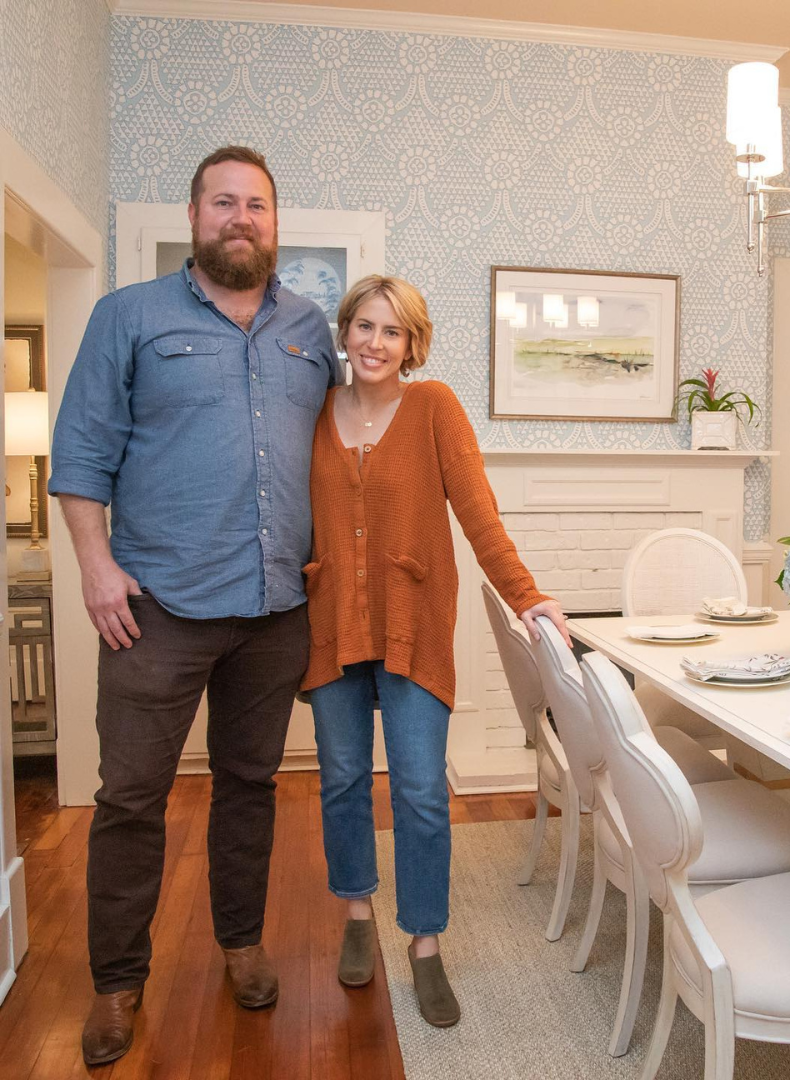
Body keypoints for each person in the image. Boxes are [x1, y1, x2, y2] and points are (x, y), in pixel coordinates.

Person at [47, 146, 339, 1066]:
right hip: (154, 608)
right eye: (224, 202)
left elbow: (343, 445)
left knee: (249, 787)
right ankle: (116, 983)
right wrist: (95, 569)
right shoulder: (125, 316)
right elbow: (81, 457)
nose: (240, 218)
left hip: (274, 608)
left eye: (257, 204)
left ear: (275, 222)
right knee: (131, 799)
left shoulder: (310, 328)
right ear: (195, 214)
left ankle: (241, 941)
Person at [300, 275, 568, 1028]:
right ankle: (357, 914)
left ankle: (424, 941)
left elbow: (478, 512)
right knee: (345, 779)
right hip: (331, 623)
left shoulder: (434, 407)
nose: (375, 343)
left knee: (420, 791)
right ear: (344, 331)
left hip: (411, 621)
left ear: (412, 343)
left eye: (392, 331)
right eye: (363, 326)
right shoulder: (315, 411)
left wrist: (526, 595)